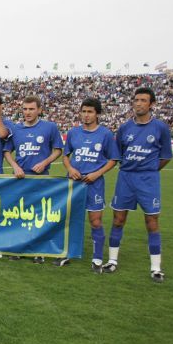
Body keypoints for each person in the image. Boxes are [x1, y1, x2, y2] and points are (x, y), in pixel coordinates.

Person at [107, 87, 172, 283]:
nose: (139, 103)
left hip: (148, 180)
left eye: (143, 100)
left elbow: (166, 156)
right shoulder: (124, 128)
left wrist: (150, 170)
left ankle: (156, 268)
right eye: (136, 100)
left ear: (152, 104)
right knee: (118, 219)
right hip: (126, 178)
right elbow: (118, 154)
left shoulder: (160, 128)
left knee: (152, 222)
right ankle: (112, 261)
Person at [3, 95, 64, 263]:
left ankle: (39, 250)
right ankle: (18, 248)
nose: (28, 112)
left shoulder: (50, 127)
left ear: (39, 110)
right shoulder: (16, 129)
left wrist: (44, 163)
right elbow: (7, 151)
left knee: (40, 214)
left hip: (41, 178)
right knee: (20, 213)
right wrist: (15, 166)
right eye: (25, 109)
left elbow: (58, 150)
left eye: (31, 109)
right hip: (20, 178)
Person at [61, 98, 120, 270]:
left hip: (94, 183)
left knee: (95, 221)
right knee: (70, 219)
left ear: (97, 114)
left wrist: (96, 174)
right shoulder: (73, 132)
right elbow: (65, 156)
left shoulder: (105, 134)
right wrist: (70, 168)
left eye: (90, 112)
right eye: (84, 111)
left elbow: (113, 159)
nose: (86, 115)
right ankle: (67, 254)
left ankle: (97, 258)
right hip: (73, 183)